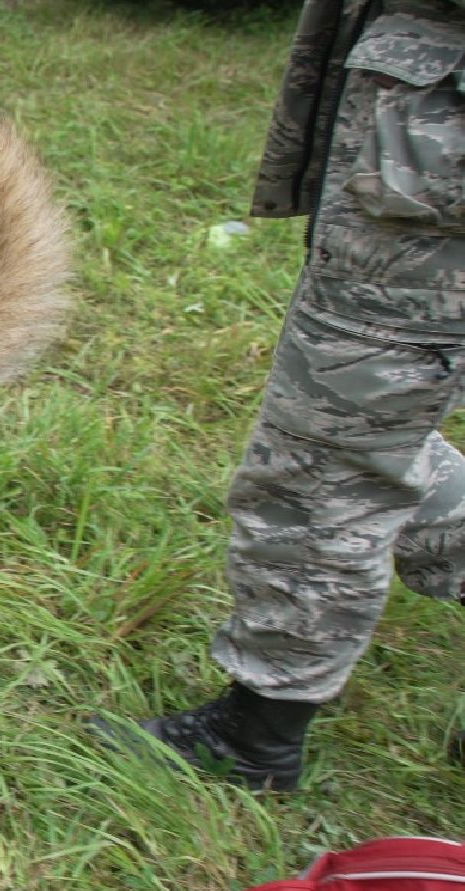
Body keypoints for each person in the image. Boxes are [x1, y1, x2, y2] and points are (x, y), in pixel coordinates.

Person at [108, 0, 464, 788]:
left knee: (324, 459)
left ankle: (256, 734)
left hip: (433, 160)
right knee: (381, 435)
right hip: (424, 143)